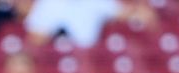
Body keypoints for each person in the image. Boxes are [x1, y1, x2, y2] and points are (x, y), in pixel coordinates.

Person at [24, 0, 156, 47]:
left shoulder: (96, 1)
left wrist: (143, 10)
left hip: (88, 58)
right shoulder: (49, 3)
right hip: (56, 59)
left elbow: (129, 13)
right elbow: (35, 39)